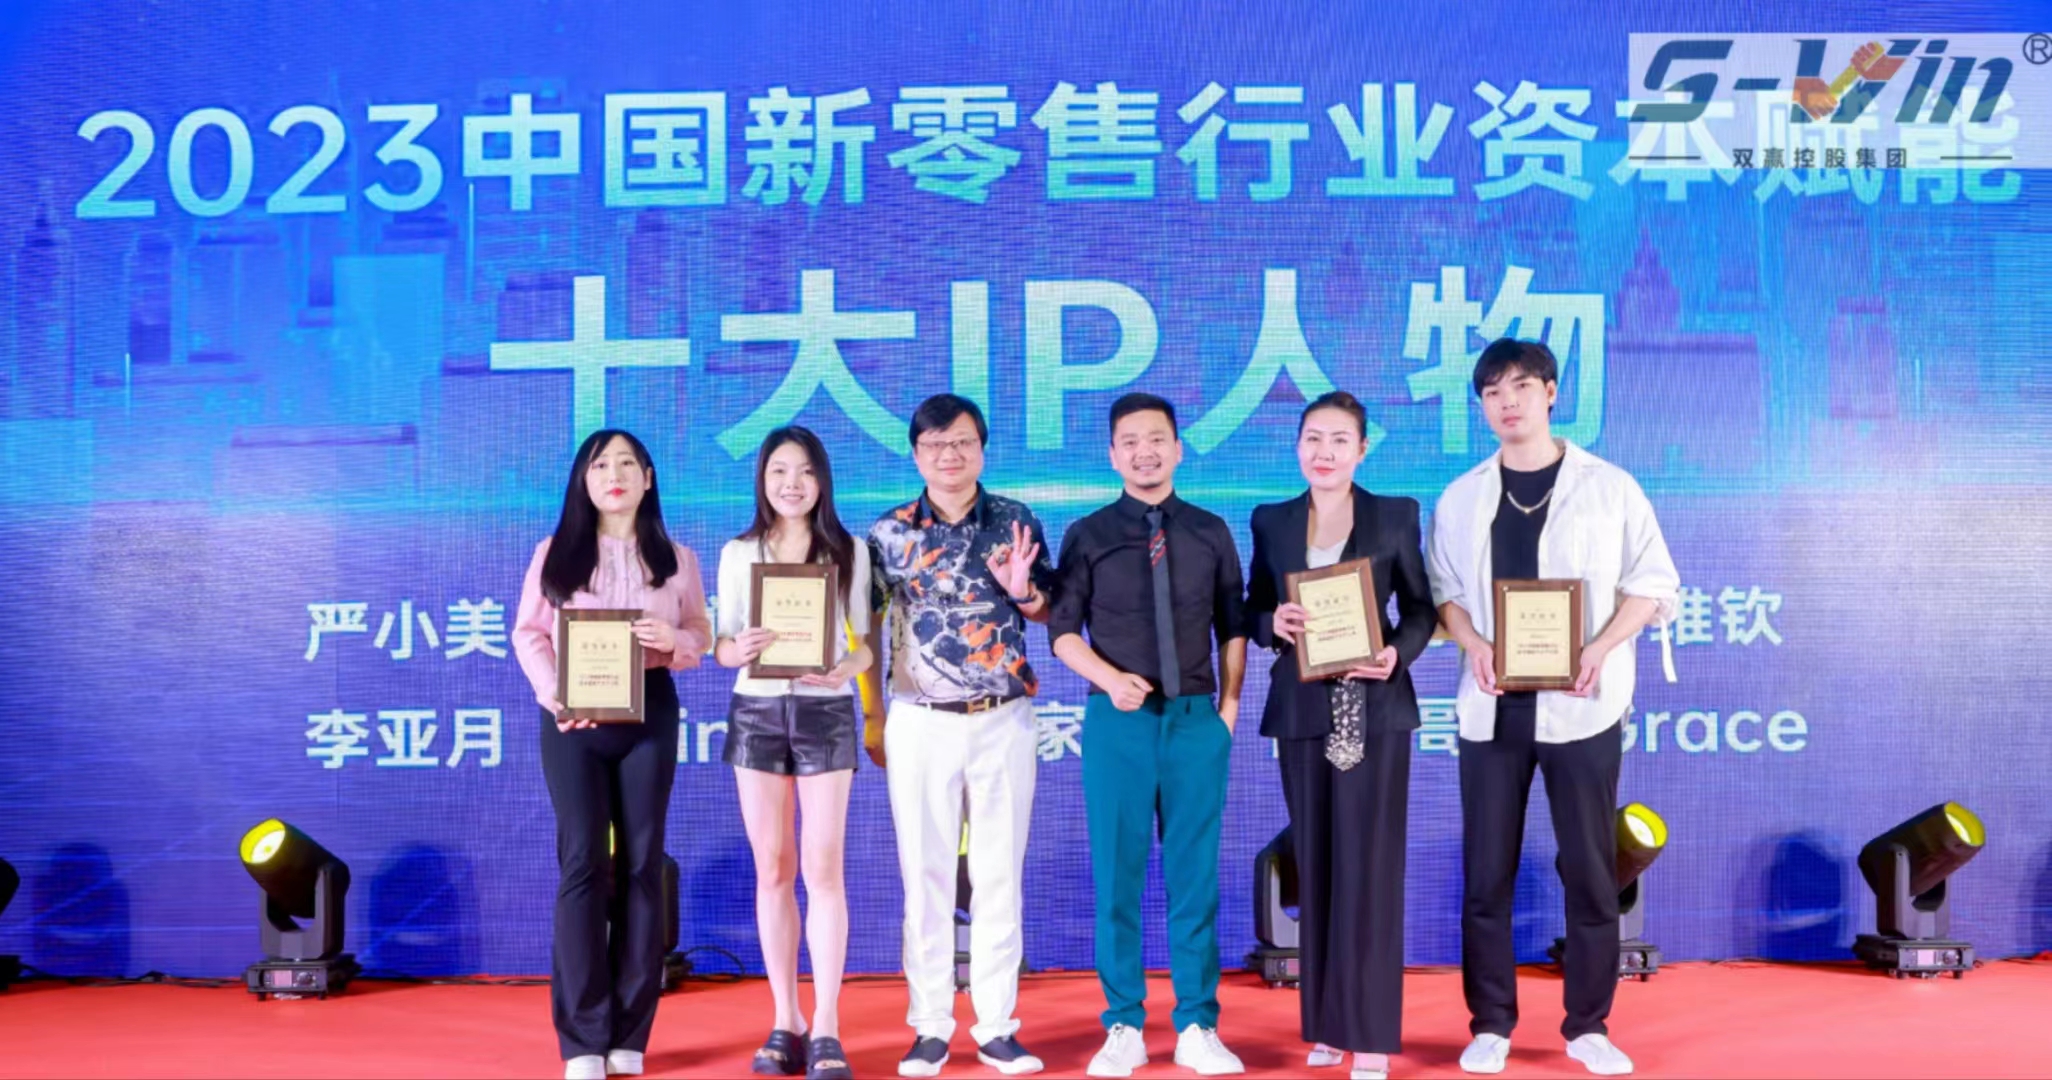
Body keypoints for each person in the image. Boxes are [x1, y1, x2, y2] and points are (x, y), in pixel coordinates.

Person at [1426, 340, 1679, 1078]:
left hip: (1582, 705)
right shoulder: (1462, 496)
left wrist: (1599, 647)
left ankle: (1588, 1025)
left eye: (1521, 387)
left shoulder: (1610, 487)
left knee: (1592, 872)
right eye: (1492, 392)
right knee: (1486, 876)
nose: (1507, 402)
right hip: (1492, 709)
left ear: (1551, 392)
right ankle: (1490, 1024)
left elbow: (1653, 584)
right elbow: (1444, 595)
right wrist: (1473, 642)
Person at [1047, 393, 1248, 1079]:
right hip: (1119, 725)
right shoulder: (1088, 534)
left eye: (1157, 438)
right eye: (1130, 441)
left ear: (1178, 448)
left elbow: (1233, 627)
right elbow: (1063, 633)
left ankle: (1197, 1023)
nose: (1145, 452)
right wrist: (1109, 680)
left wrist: (1227, 711)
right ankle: (1124, 1024)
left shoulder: (1210, 531)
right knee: (1117, 878)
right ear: (1113, 455)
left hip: (1195, 724)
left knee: (1195, 880)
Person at [1244, 391, 1437, 1080]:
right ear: (1297, 445)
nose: (1323, 452)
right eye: (1312, 439)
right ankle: (1327, 1025)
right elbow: (1251, 606)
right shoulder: (1271, 520)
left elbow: (1421, 609)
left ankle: (1372, 1031)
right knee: (1318, 867)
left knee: (1371, 871)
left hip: (1375, 710)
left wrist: (1396, 654)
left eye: (1338, 440)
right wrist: (1273, 623)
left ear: (1362, 449)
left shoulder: (1395, 514)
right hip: (1302, 713)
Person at [513, 429, 713, 1080]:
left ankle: (630, 1031)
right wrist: (553, 692)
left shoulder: (677, 558)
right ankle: (581, 1039)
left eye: (628, 463)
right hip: (573, 716)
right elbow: (529, 633)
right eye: (600, 465)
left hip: (649, 710)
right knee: (581, 863)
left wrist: (674, 638)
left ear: (649, 478)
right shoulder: (555, 553)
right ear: (584, 480)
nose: (614, 474)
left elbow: (701, 633)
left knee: (642, 865)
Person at [866, 394, 1056, 1078]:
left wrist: (1023, 590)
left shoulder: (1015, 519)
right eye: (935, 444)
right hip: (920, 720)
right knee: (926, 875)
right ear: (916, 454)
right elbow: (863, 626)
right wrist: (870, 713)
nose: (950, 455)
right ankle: (930, 1026)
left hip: (1002, 714)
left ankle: (998, 1026)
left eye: (963, 442)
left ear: (982, 448)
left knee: (1000, 873)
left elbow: (1049, 609)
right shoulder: (889, 533)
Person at [715, 427, 872, 1080]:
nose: (792, 483)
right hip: (756, 712)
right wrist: (739, 649)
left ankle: (827, 1024)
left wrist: (843, 669)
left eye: (805, 471)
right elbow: (721, 646)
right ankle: (787, 1019)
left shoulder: (849, 550)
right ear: (762, 478)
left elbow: (866, 643)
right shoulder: (738, 552)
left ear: (822, 480)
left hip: (825, 712)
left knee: (823, 868)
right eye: (779, 470)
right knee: (773, 868)